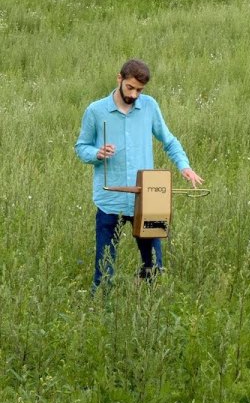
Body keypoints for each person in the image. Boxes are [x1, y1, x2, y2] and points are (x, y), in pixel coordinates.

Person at [75, 59, 203, 294]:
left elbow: (169, 141)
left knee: (155, 264)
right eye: (130, 88)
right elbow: (81, 147)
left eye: (139, 90)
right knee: (104, 267)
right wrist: (97, 153)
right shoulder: (95, 110)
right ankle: (102, 304)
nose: (134, 95)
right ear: (119, 79)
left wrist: (185, 166)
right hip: (109, 201)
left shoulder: (150, 106)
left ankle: (145, 294)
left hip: (147, 199)